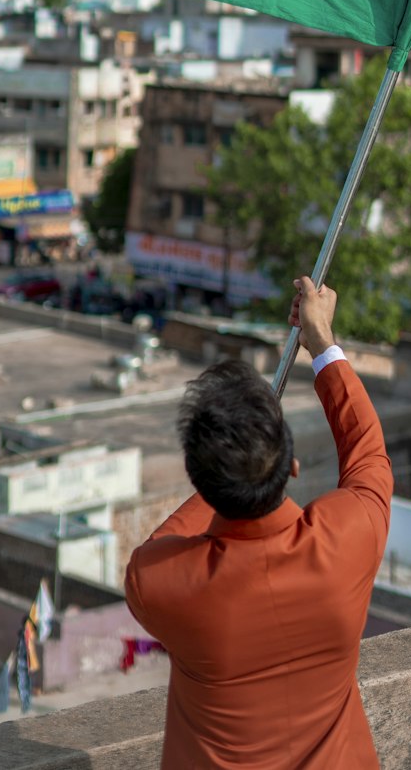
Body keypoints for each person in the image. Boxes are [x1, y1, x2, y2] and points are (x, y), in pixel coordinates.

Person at [125, 275, 392, 769]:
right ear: (291, 467)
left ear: (201, 482)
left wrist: (223, 476)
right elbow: (367, 453)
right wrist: (321, 342)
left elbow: (159, 546)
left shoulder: (162, 583)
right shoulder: (347, 539)